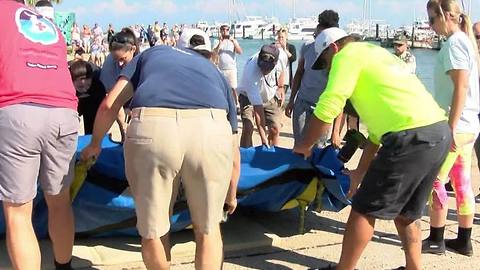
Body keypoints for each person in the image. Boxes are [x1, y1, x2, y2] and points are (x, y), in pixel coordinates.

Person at [80, 28, 240, 270]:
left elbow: (110, 104)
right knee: (208, 229)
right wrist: (231, 194)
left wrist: (94, 144)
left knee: (154, 229)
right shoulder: (214, 71)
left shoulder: (151, 54)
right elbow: (234, 147)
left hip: (155, 127)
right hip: (211, 129)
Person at [294, 27, 451, 270]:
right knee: (407, 213)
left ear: (334, 48)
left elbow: (330, 103)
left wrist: (303, 145)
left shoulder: (347, 56)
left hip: (409, 136)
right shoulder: (375, 54)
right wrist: (359, 172)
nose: (326, 69)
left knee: (363, 209)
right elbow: (376, 134)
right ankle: (414, 268)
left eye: (325, 62)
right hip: (437, 132)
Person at [0, 1, 79, 269]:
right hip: (64, 111)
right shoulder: (46, 22)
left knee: (18, 211)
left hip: (18, 109)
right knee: (59, 200)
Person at [422, 0, 479, 257]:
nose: (430, 25)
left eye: (433, 19)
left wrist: (451, 128)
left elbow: (461, 87)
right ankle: (464, 240)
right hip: (469, 124)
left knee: (436, 181)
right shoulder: (463, 41)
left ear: (446, 15)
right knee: (462, 181)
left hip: (458, 125)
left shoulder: (456, 43)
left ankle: (436, 238)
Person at [286, 10, 339, 146]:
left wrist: (336, 131)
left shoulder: (338, 55)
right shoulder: (307, 47)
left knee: (318, 147)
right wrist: (291, 100)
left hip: (323, 107)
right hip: (302, 102)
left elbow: (340, 94)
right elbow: (299, 73)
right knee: (299, 144)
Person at [237, 44, 285, 147]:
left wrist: (281, 87)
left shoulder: (282, 56)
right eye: (262, 67)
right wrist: (263, 139)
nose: (264, 70)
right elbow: (258, 110)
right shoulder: (251, 71)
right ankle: (245, 156)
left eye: (268, 68)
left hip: (269, 95)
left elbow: (282, 70)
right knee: (248, 127)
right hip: (247, 96)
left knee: (275, 128)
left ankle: (272, 155)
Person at [100, 27, 139, 142]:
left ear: (133, 49)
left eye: (123, 59)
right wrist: (123, 127)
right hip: (118, 97)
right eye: (116, 59)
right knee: (126, 133)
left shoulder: (142, 61)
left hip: (137, 98)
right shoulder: (109, 65)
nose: (119, 63)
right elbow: (113, 100)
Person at [69, 60, 106, 134]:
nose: (85, 89)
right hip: (73, 97)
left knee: (93, 124)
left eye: (88, 85)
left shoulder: (98, 86)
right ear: (72, 81)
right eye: (81, 86)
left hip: (92, 98)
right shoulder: (66, 86)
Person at [213, 24, 243, 107]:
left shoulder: (233, 41)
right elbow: (214, 53)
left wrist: (233, 42)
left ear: (228, 31)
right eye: (223, 30)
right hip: (221, 68)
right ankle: (223, 104)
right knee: (221, 87)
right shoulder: (217, 41)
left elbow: (240, 52)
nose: (225, 31)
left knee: (234, 88)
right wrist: (220, 42)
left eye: (226, 30)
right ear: (220, 31)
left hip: (231, 68)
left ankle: (237, 105)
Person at [275, 27, 296, 93]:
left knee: (281, 95)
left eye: (282, 37)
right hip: (275, 76)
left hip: (285, 77)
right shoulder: (273, 46)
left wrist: (284, 49)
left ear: (286, 37)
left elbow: (293, 59)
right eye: (279, 37)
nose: (280, 39)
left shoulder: (291, 47)